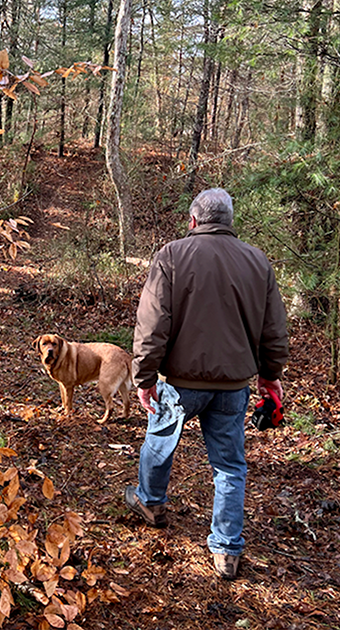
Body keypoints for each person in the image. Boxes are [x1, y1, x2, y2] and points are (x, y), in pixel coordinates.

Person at [122, 188, 289, 580]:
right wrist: (270, 375)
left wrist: (144, 377)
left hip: (180, 383)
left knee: (159, 444)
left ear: (193, 221)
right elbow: (274, 330)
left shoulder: (171, 256)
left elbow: (153, 323)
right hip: (233, 386)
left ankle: (150, 502)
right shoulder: (257, 261)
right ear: (229, 222)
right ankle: (227, 550)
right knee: (230, 467)